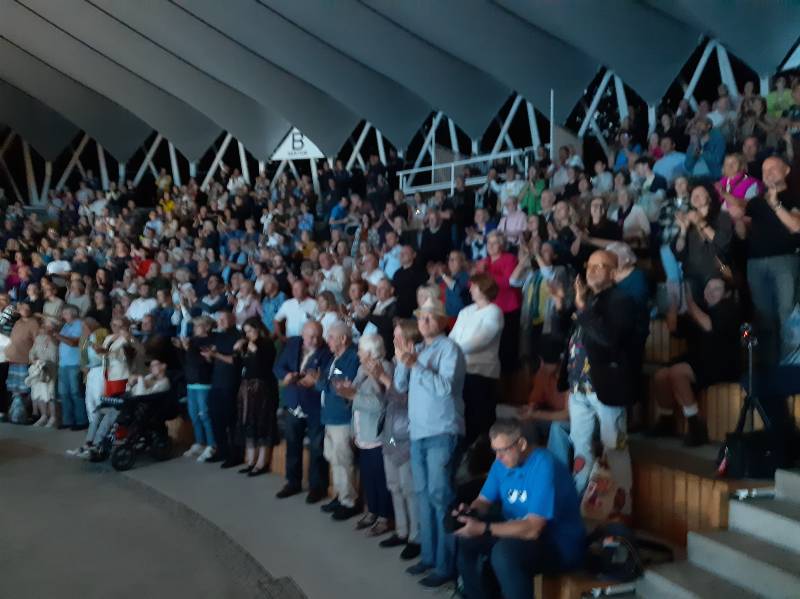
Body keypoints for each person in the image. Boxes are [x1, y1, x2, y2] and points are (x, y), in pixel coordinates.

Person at [455, 419, 585, 599]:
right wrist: (470, 512)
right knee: (466, 537)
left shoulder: (545, 465)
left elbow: (533, 529)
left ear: (521, 444)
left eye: (503, 450)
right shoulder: (501, 463)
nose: (498, 457)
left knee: (504, 553)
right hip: (519, 531)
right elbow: (483, 501)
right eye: (495, 451)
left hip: (558, 544)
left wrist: (483, 528)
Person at [556, 250, 637, 517]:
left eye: (600, 266)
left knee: (615, 449)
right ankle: (579, 507)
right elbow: (566, 336)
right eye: (589, 265)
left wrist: (582, 308)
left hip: (606, 387)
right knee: (580, 449)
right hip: (578, 386)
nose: (591, 270)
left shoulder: (622, 300)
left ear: (613, 273)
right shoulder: (587, 299)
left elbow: (608, 339)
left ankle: (620, 513)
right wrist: (562, 307)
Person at [394, 297, 466, 588]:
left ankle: (446, 565)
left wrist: (417, 366)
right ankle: (428, 556)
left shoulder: (450, 349)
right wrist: (404, 361)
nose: (422, 322)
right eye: (420, 317)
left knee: (440, 496)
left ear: (443, 321)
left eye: (429, 317)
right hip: (418, 433)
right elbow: (400, 385)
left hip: (441, 432)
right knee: (423, 495)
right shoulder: (418, 349)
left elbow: (446, 389)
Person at [651, 278, 741, 446]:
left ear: (727, 293)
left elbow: (709, 326)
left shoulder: (729, 309)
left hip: (722, 363)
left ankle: (696, 426)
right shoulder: (699, 308)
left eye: (716, 289)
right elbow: (673, 329)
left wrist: (690, 303)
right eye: (708, 288)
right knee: (660, 376)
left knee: (677, 372)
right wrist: (673, 305)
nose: (710, 292)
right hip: (697, 359)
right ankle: (666, 419)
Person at [336, 334, 395, 536]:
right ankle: (372, 511)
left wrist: (353, 395)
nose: (358, 353)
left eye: (360, 349)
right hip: (363, 433)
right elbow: (355, 399)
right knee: (368, 478)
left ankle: (384, 517)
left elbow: (380, 405)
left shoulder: (385, 368)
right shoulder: (362, 368)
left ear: (370, 352)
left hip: (378, 435)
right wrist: (346, 392)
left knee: (381, 479)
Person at [274, 320, 332, 503]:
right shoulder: (293, 343)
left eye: (318, 336)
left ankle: (317, 487)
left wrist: (317, 379)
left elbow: (333, 375)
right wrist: (286, 376)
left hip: (315, 406)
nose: (315, 340)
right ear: (303, 334)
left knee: (317, 448)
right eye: (311, 337)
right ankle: (293, 482)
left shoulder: (327, 351)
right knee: (292, 445)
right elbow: (278, 366)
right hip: (293, 403)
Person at [449, 273, 504, 446]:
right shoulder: (466, 311)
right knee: (465, 416)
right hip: (461, 369)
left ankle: (484, 453)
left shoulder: (494, 311)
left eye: (474, 286)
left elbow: (482, 339)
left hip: (482, 372)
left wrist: (453, 350)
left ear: (484, 288)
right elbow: (453, 336)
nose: (470, 288)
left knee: (481, 417)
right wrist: (449, 350)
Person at [313, 321, 360, 520]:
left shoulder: (352, 357)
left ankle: (349, 501)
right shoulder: (334, 358)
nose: (327, 340)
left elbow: (343, 386)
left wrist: (323, 382)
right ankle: (340, 495)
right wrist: (324, 382)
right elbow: (325, 381)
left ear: (343, 339)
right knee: (333, 458)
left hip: (342, 418)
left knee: (344, 460)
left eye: (331, 337)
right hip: (329, 417)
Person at [234, 318, 278, 477]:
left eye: (251, 330)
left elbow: (264, 367)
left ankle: (262, 462)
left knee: (262, 423)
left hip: (263, 388)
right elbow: (240, 366)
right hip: (247, 387)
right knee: (248, 423)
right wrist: (238, 351)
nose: (248, 334)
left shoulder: (267, 344)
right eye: (246, 332)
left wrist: (255, 351)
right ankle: (251, 460)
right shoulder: (247, 344)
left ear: (258, 329)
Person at [201, 310, 243, 468]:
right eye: (219, 319)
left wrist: (215, 355)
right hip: (217, 382)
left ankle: (235, 455)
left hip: (231, 383)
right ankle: (221, 450)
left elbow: (235, 361)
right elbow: (215, 358)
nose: (221, 322)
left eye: (224, 319)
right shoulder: (218, 336)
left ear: (233, 320)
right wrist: (209, 357)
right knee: (215, 418)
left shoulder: (238, 336)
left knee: (231, 420)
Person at [475, 231, 521, 374]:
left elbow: (508, 283)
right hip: (488, 309)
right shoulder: (484, 261)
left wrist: (486, 274)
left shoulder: (510, 259)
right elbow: (475, 284)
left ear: (502, 245)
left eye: (494, 243)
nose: (490, 246)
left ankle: (508, 379)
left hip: (507, 309)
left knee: (507, 348)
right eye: (488, 243)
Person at [180, 315, 217, 462]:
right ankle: (200, 442)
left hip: (203, 382)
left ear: (207, 327)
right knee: (194, 415)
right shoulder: (192, 341)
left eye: (198, 325)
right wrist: (184, 348)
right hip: (191, 382)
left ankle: (212, 444)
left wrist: (188, 348)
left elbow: (206, 360)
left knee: (204, 415)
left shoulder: (211, 340)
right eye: (194, 326)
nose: (194, 328)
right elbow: (188, 360)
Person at [55, 305, 87, 430]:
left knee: (76, 393)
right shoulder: (66, 326)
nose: (63, 315)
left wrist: (57, 335)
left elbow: (74, 342)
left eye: (65, 313)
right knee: (63, 394)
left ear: (73, 313)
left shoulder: (79, 324)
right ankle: (67, 420)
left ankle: (81, 421)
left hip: (74, 364)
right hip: (63, 364)